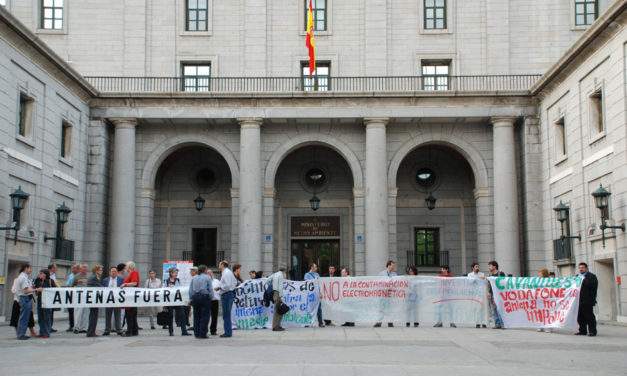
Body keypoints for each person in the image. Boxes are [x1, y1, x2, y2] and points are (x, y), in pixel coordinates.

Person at [164, 267, 190, 336]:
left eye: (177, 273)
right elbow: (163, 290)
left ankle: (184, 331)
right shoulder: (166, 281)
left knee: (182, 315)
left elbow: (181, 289)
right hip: (170, 301)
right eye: (175, 273)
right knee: (170, 316)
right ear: (171, 273)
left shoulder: (178, 280)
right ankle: (171, 331)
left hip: (178, 301)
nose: (176, 274)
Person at [10, 271, 37, 338]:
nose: (30, 271)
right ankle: (19, 333)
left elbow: (30, 289)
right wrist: (19, 297)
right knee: (16, 317)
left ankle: (32, 332)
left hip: (27, 300)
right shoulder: (17, 280)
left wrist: (32, 288)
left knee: (30, 317)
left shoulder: (28, 280)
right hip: (18, 300)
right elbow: (13, 290)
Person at [15, 263, 39, 340]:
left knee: (25, 317)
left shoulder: (24, 277)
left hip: (26, 298)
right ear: (26, 268)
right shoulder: (23, 277)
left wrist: (32, 287)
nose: (31, 270)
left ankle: (21, 334)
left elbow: (27, 288)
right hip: (25, 298)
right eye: (30, 268)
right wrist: (36, 289)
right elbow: (26, 290)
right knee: (24, 317)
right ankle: (21, 334)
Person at [189, 264, 213, 338]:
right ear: (205, 270)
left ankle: (196, 333)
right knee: (205, 316)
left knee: (196, 316)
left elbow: (191, 290)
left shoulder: (194, 278)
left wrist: (191, 298)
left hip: (195, 297)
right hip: (204, 297)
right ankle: (202, 333)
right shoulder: (207, 277)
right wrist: (211, 297)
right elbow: (210, 289)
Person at [576, 262, 598, 337]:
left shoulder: (591, 276)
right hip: (578, 301)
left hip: (587, 300)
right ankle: (582, 331)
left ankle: (592, 331)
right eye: (580, 268)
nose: (581, 269)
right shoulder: (577, 276)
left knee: (589, 316)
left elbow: (592, 286)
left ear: (586, 268)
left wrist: (582, 280)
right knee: (580, 317)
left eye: (582, 267)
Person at [216, 260, 238, 337]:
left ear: (222, 265)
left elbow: (228, 285)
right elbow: (235, 282)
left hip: (227, 295)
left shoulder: (226, 273)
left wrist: (220, 287)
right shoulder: (227, 272)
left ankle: (228, 332)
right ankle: (228, 332)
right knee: (226, 314)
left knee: (226, 314)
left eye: (219, 264)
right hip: (228, 294)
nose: (218, 266)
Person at [374, 260, 397, 328]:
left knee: (390, 308)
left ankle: (390, 322)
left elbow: (396, 284)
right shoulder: (381, 273)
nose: (393, 267)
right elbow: (378, 283)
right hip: (383, 294)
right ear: (389, 265)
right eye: (393, 265)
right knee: (381, 308)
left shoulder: (395, 274)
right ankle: (379, 322)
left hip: (390, 294)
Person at [102, 266, 124, 336]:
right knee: (108, 315)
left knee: (118, 315)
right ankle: (107, 330)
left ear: (117, 272)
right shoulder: (105, 280)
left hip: (117, 300)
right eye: (112, 271)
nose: (113, 272)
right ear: (109, 272)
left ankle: (119, 330)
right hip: (108, 301)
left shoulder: (121, 280)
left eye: (115, 271)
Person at [121, 261, 140, 337]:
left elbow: (135, 283)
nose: (125, 268)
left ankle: (129, 331)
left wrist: (125, 284)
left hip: (130, 297)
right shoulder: (131, 274)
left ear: (130, 267)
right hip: (131, 297)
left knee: (129, 315)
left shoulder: (134, 273)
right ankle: (134, 331)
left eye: (126, 266)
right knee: (132, 315)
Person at [33, 269, 53, 338]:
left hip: (47, 301)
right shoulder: (37, 280)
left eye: (41, 273)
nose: (39, 274)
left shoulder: (50, 281)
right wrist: (37, 290)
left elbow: (54, 290)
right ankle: (42, 332)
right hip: (40, 300)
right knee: (40, 317)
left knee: (46, 317)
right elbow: (35, 289)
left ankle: (47, 333)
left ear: (45, 274)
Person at [467, 262, 487, 328]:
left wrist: (484, 278)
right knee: (476, 308)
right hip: (474, 294)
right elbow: (470, 282)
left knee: (483, 308)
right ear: (473, 268)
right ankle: (477, 322)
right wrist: (476, 277)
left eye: (478, 267)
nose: (477, 268)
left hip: (482, 293)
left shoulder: (482, 274)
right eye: (476, 267)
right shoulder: (470, 275)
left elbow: (485, 282)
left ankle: (484, 322)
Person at [304, 263, 324, 327]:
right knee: (309, 308)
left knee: (319, 308)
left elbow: (319, 284)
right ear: (312, 267)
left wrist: (320, 292)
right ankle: (307, 322)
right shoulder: (307, 275)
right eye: (315, 267)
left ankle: (320, 323)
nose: (316, 268)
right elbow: (306, 283)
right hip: (310, 294)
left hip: (317, 294)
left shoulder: (317, 274)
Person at [487, 260, 506, 329]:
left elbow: (504, 282)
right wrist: (488, 292)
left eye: (490, 266)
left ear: (494, 266)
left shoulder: (500, 273)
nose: (489, 267)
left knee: (499, 308)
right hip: (492, 294)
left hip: (499, 294)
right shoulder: (490, 275)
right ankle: (497, 323)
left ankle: (503, 323)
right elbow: (489, 285)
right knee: (494, 309)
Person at [86, 264, 103, 337]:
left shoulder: (95, 277)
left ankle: (91, 331)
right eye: (100, 270)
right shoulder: (94, 277)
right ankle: (91, 332)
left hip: (94, 299)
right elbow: (99, 287)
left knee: (93, 315)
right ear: (96, 270)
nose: (101, 271)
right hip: (93, 299)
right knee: (93, 316)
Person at [72, 264, 90, 334]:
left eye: (85, 268)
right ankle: (76, 327)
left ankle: (84, 327)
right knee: (78, 312)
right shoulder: (76, 276)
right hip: (78, 296)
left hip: (87, 296)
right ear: (80, 269)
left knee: (86, 312)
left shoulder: (89, 276)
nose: (84, 269)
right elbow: (72, 285)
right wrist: (77, 283)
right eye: (83, 268)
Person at [270, 267, 287, 331]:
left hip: (275, 292)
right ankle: (275, 326)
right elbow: (280, 286)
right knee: (278, 310)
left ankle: (277, 325)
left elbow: (268, 279)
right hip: (278, 293)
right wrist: (281, 296)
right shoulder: (281, 275)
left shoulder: (275, 274)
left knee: (278, 310)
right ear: (284, 271)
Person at [65, 264, 79, 332]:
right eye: (72, 268)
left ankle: (76, 325)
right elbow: (67, 284)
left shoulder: (78, 276)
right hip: (69, 294)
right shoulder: (70, 275)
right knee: (70, 310)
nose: (73, 269)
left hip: (76, 295)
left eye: (74, 268)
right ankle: (71, 325)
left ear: (77, 269)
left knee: (75, 311)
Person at [207, 269, 221, 336]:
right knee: (206, 316)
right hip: (207, 300)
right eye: (208, 273)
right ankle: (205, 330)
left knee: (214, 316)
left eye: (210, 273)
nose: (210, 274)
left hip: (215, 300)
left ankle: (213, 330)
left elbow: (220, 288)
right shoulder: (205, 281)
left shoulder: (217, 281)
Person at [47, 263, 58, 333]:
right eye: (55, 268)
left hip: (53, 295)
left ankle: (50, 326)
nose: (56, 269)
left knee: (52, 312)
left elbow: (56, 283)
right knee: (48, 312)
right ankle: (48, 327)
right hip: (48, 296)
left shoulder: (53, 275)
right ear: (51, 268)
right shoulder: (48, 275)